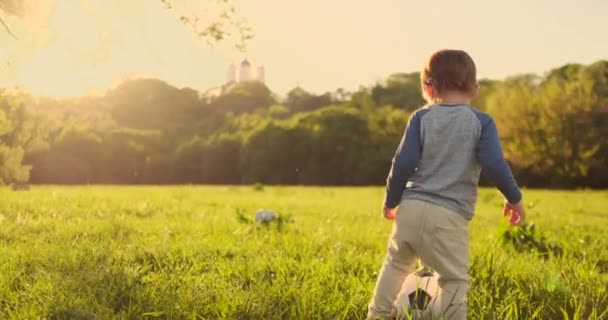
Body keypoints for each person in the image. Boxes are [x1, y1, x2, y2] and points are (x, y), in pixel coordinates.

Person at [367, 49, 525, 320]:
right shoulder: (481, 122)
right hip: (449, 216)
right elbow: (494, 163)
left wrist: (391, 200)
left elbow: (402, 163)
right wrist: (514, 197)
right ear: (474, 88)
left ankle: (378, 315)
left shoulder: (421, 118)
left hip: (411, 208)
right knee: (453, 279)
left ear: (427, 87)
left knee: (395, 264)